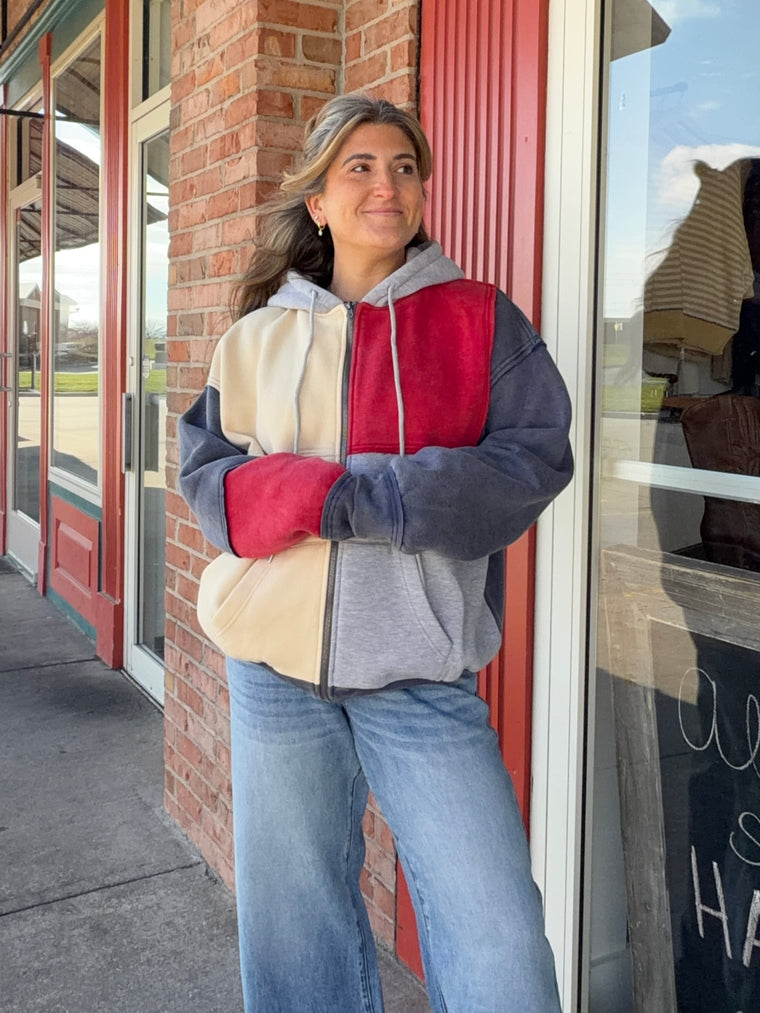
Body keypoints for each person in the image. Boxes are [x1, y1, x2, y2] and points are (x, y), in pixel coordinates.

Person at [179, 93, 573, 1013]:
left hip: (420, 669)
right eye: (358, 167)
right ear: (317, 199)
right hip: (273, 665)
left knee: (498, 929)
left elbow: (532, 461)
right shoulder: (255, 335)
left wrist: (357, 495)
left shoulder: (481, 319)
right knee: (294, 923)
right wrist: (315, 494)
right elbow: (211, 481)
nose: (385, 184)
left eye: (403, 167)